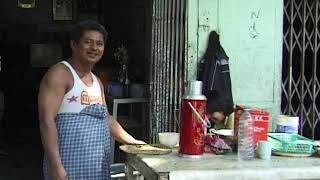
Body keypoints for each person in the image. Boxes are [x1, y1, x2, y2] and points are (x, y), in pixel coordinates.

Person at [38, 20, 144, 180]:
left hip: (95, 166)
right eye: (88, 42)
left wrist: (134, 143)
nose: (94, 48)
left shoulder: (97, 82)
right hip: (67, 165)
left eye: (99, 44)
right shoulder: (60, 73)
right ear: (74, 45)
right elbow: (46, 121)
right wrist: (56, 165)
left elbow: (106, 120)